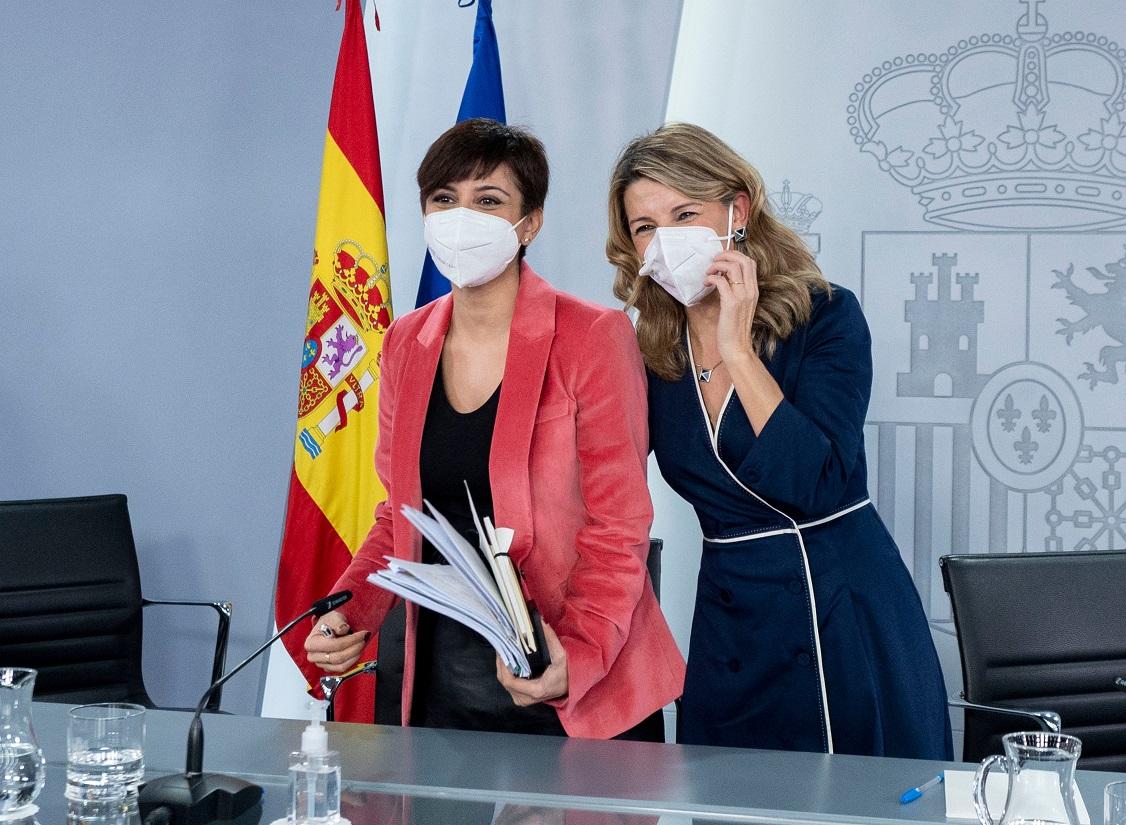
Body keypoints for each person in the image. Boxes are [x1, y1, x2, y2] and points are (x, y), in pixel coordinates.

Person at [305, 119, 684, 741]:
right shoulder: (405, 341)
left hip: (571, 669)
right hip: (440, 676)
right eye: (444, 200)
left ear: (529, 223)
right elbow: (397, 515)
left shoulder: (593, 336)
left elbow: (620, 525)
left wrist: (578, 655)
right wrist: (348, 612)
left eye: (488, 201)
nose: (462, 218)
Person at [605, 122, 952, 757]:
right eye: (645, 227)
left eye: (685, 213)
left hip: (842, 605)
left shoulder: (827, 316)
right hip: (732, 620)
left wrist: (736, 346)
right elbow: (605, 481)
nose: (665, 239)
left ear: (735, 211)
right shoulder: (649, 350)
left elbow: (814, 482)